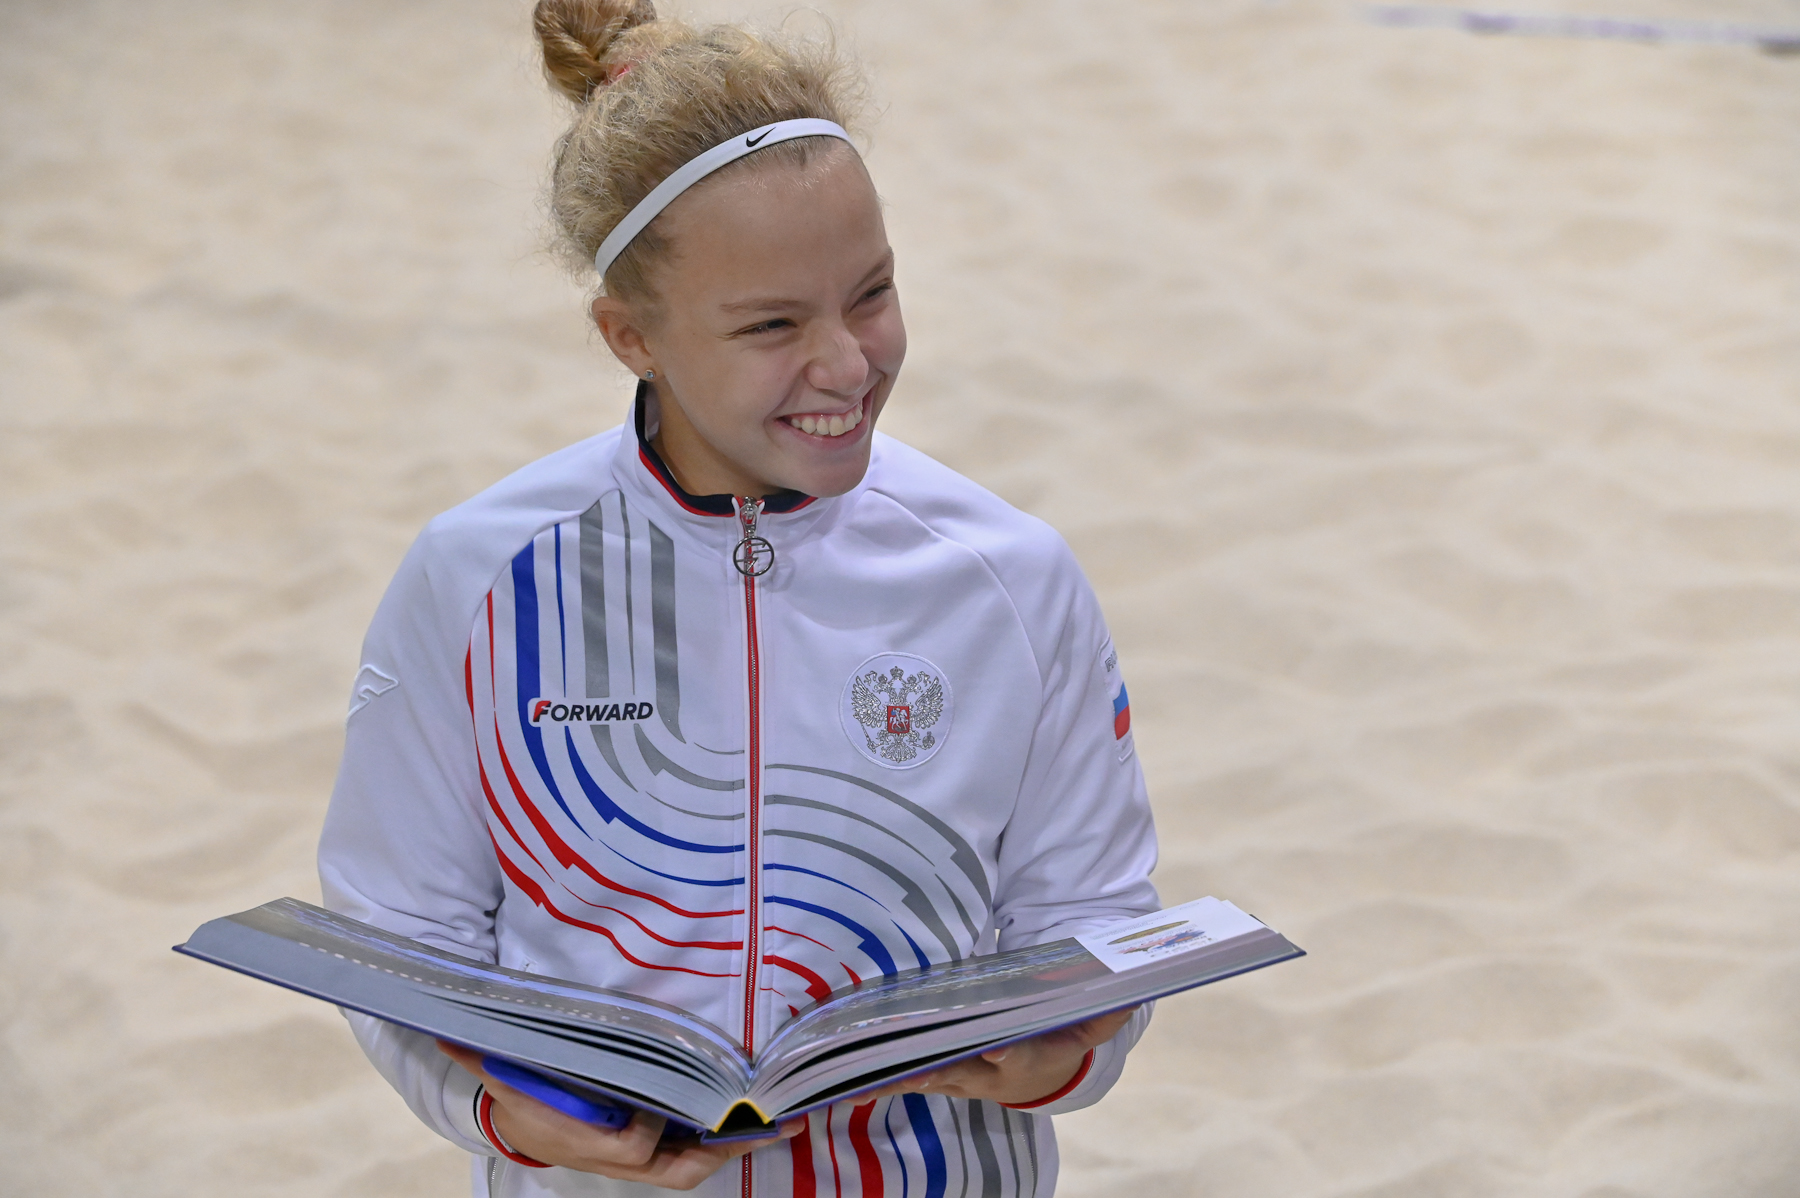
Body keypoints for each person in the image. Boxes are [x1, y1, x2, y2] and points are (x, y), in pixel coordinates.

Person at [317, 2, 1160, 1194]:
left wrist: (1063, 1051)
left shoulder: (1011, 578)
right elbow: (401, 934)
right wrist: (505, 1111)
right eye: (772, 324)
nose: (848, 363)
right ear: (630, 336)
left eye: (872, 292)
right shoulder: (477, 582)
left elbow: (1094, 916)